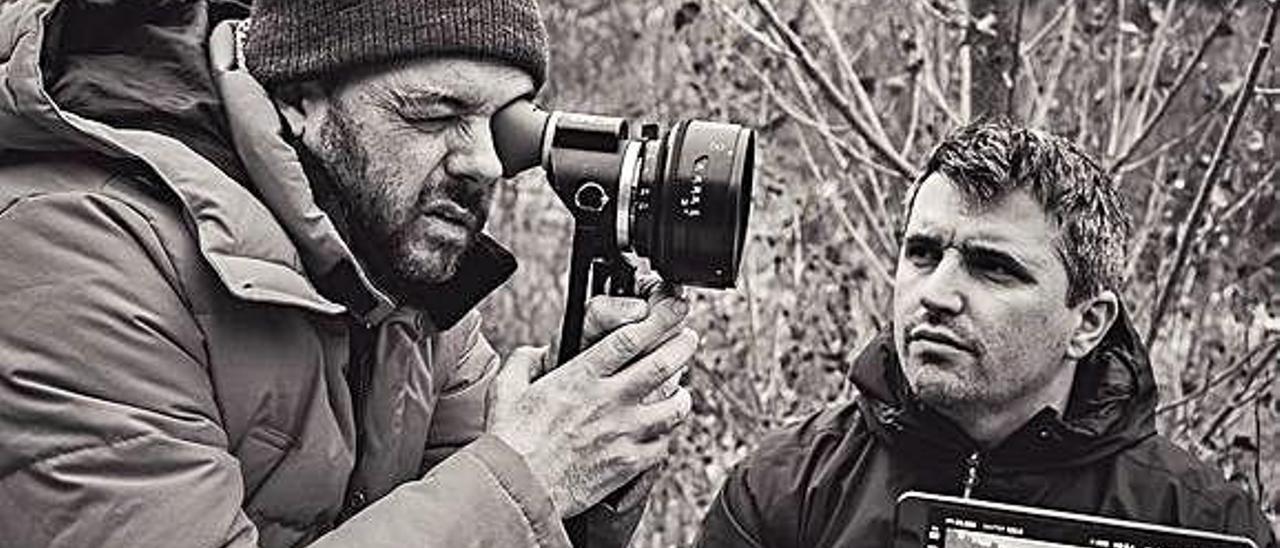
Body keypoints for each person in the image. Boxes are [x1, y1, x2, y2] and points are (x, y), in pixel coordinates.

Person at [0, 1, 696, 547]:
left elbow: (511, 503)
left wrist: (590, 439)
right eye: (437, 114)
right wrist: (529, 476)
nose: (484, 164)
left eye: (502, 126)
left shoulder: (399, 271)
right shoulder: (81, 257)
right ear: (301, 99)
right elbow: (507, 494)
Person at [696, 122, 1278, 548]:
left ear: (1088, 323)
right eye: (922, 253)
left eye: (993, 266)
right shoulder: (782, 492)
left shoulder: (1200, 525)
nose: (937, 294)